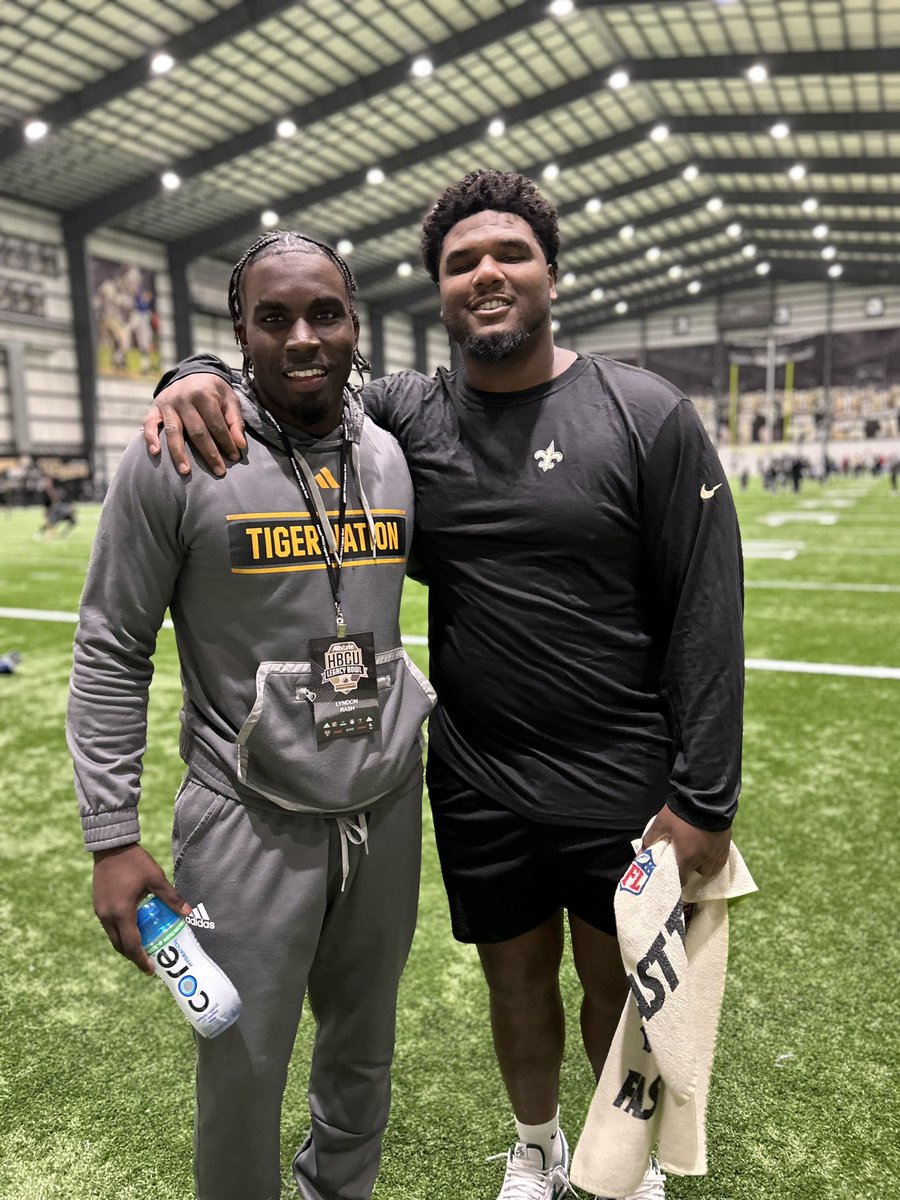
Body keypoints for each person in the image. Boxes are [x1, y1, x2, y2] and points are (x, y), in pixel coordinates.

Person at [144, 170, 744, 1200]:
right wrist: (187, 369)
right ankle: (536, 1144)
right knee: (513, 980)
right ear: (438, 290)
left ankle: (622, 1162)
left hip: (619, 767)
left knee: (620, 986)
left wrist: (705, 798)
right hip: (475, 770)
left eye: (509, 253)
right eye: (462, 262)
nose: (488, 273)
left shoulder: (645, 412)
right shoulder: (408, 416)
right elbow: (297, 375)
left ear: (551, 272)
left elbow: (708, 612)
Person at [68, 232, 435, 1200]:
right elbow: (110, 643)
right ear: (240, 331)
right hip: (246, 817)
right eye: (274, 318)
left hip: (386, 807)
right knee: (240, 1074)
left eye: (326, 313)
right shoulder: (178, 456)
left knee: (363, 1059)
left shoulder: (392, 458)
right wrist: (111, 836)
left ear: (355, 322)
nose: (303, 337)